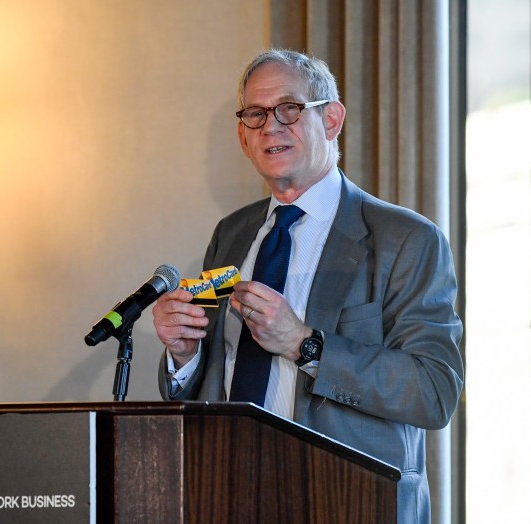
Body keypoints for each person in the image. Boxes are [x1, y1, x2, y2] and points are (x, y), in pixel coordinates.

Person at [152, 49, 464, 524]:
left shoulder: (406, 239)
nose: (270, 127)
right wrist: (183, 354)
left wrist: (305, 343)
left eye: (289, 110)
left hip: (348, 501)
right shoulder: (231, 234)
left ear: (332, 120)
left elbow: (433, 391)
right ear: (242, 136)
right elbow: (215, 376)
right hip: (228, 493)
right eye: (255, 115)